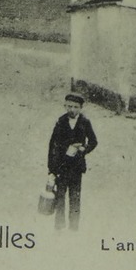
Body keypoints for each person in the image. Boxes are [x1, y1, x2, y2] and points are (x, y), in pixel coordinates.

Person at [46, 92, 98, 230]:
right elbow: (52, 146)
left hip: (76, 167)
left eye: (75, 107)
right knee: (60, 199)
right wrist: (51, 169)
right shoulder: (60, 121)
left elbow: (93, 141)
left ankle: (74, 228)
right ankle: (59, 227)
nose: (72, 109)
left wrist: (83, 149)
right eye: (69, 106)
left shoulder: (85, 123)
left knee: (75, 198)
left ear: (81, 108)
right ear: (64, 106)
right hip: (61, 167)